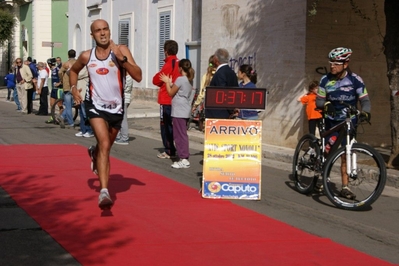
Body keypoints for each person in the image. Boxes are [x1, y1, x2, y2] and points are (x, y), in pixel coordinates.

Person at [69, 19, 142, 210]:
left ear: (109, 31)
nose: (102, 33)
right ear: (92, 35)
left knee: (105, 148)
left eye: (105, 29)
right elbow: (73, 71)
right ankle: (104, 192)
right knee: (104, 143)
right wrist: (74, 88)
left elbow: (138, 76)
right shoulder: (87, 56)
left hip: (116, 108)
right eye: (98, 31)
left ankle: (94, 153)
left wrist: (122, 59)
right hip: (95, 105)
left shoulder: (121, 50)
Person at [316, 47, 371, 200]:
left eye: (336, 63)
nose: (332, 66)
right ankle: (323, 177)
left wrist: (366, 111)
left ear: (345, 64)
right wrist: (326, 104)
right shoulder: (325, 80)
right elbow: (319, 100)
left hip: (349, 122)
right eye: (331, 63)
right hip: (332, 122)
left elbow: (365, 100)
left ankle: (345, 187)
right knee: (328, 151)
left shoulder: (355, 80)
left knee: (346, 154)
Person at [160, 59, 195, 168]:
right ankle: (183, 157)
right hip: (184, 109)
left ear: (180, 68)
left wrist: (166, 82)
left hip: (179, 110)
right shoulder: (189, 79)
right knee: (182, 134)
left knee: (179, 135)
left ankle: (184, 158)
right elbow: (178, 91)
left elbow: (170, 92)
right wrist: (170, 83)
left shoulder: (180, 79)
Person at [152, 40, 180, 159]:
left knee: (165, 126)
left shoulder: (169, 64)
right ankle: (176, 148)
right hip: (177, 99)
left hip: (166, 98)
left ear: (166, 51)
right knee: (176, 126)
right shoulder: (179, 63)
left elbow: (156, 80)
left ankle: (169, 149)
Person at [205, 48, 239, 119]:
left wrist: (230, 110)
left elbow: (222, 94)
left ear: (216, 59)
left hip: (218, 114)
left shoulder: (220, 74)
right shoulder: (232, 72)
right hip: (227, 113)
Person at [191, 55, 216, 131]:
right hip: (219, 107)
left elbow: (201, 94)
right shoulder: (220, 75)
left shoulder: (206, 76)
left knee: (208, 129)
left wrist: (195, 105)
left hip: (208, 106)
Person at [57, 49, 77, 129]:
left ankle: (65, 119)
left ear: (68, 55)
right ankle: (65, 119)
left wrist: (62, 79)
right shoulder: (77, 62)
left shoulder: (66, 63)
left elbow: (59, 72)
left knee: (68, 105)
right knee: (74, 104)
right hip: (76, 85)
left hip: (67, 86)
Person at [74, 65, 94, 138]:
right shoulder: (80, 68)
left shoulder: (86, 68)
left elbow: (77, 75)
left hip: (85, 94)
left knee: (86, 114)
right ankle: (83, 130)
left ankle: (90, 130)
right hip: (79, 94)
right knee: (81, 114)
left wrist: (72, 70)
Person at [114, 74, 133, 145]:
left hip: (124, 99)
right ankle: (119, 135)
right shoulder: (125, 77)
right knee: (119, 118)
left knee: (123, 119)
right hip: (122, 99)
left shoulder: (127, 78)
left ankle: (124, 137)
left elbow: (123, 88)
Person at [45, 58, 63, 124]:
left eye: (48, 64)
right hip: (53, 89)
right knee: (52, 104)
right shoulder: (52, 70)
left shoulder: (57, 69)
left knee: (59, 105)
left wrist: (60, 83)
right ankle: (53, 117)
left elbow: (63, 77)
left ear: (50, 64)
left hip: (59, 89)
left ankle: (60, 118)